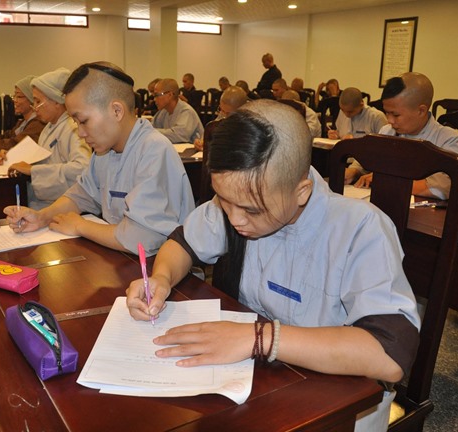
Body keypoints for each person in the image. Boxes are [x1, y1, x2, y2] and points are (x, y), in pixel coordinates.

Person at [126, 100, 420, 431]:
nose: (235, 219)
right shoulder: (243, 197)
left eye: (251, 211)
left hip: (337, 405)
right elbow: (183, 243)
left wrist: (259, 337)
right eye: (224, 201)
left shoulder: (359, 229)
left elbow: (389, 356)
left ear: (301, 191)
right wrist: (161, 278)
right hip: (258, 382)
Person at [3, 62, 195, 257]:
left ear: (116, 111)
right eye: (76, 123)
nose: (80, 133)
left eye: (83, 121)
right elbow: (81, 194)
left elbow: (141, 238)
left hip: (159, 268)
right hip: (123, 258)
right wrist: (41, 217)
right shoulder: (104, 151)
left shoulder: (153, 150)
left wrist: (80, 226)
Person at [348, 73, 458, 200]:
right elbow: (368, 158)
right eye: (387, 113)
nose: (389, 120)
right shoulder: (387, 132)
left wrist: (388, 182)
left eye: (396, 115)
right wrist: (354, 171)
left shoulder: (448, 140)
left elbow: (445, 187)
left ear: (421, 111)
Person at [3, 68, 90, 210]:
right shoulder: (49, 127)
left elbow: (82, 170)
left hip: (62, 208)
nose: (35, 108)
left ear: (57, 101)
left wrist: (33, 170)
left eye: (38, 101)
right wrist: (11, 157)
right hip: (42, 202)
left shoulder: (73, 129)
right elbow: (43, 159)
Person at [193, 85, 248, 151]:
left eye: (228, 113)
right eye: (221, 109)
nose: (224, 115)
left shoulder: (250, 127)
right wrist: (201, 143)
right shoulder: (222, 114)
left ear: (242, 110)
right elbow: (209, 134)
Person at [152, 78, 204, 144]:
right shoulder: (164, 112)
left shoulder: (186, 111)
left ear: (169, 95)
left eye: (156, 95)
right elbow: (152, 127)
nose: (154, 99)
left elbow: (178, 136)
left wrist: (151, 132)